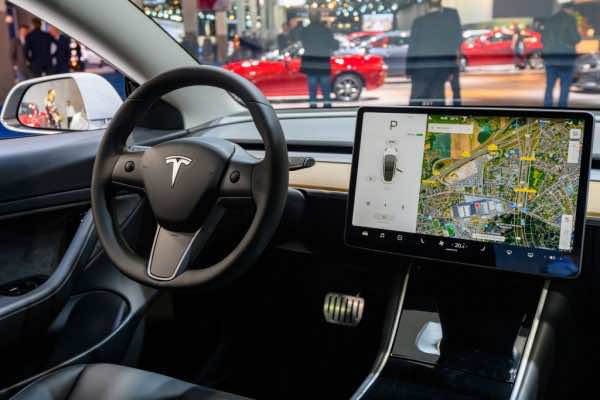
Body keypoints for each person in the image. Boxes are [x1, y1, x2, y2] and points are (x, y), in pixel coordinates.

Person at [407, 0, 462, 106]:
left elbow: (412, 47)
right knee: (437, 98)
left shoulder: (419, 22)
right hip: (439, 67)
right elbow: (452, 43)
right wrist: (450, 68)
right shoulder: (446, 22)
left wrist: (409, 69)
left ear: (427, 6)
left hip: (420, 68)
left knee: (417, 99)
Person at [541, 4, 581, 108]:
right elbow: (576, 38)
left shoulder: (550, 20)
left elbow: (543, 39)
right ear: (569, 9)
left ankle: (547, 107)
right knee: (565, 86)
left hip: (551, 57)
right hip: (566, 58)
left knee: (549, 85)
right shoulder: (571, 20)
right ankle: (562, 108)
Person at [299, 10, 338, 108]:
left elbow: (304, 44)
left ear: (310, 18)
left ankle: (312, 104)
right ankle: (327, 103)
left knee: (312, 86)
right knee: (325, 86)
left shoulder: (305, 30)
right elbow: (333, 45)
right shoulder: (325, 30)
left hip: (310, 61)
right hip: (323, 61)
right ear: (320, 17)